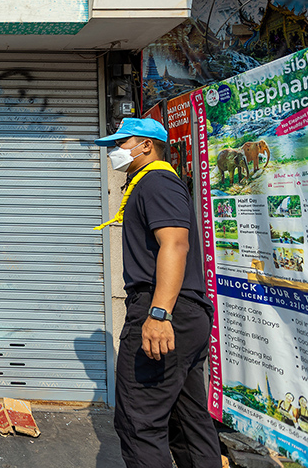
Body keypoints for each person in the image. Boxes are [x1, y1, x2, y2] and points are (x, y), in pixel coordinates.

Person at [94, 117, 220, 468]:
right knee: (188, 421)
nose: (115, 152)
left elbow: (175, 245)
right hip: (184, 314)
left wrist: (159, 313)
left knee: (139, 423)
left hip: (164, 312)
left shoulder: (156, 183)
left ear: (146, 145)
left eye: (121, 144)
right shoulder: (155, 183)